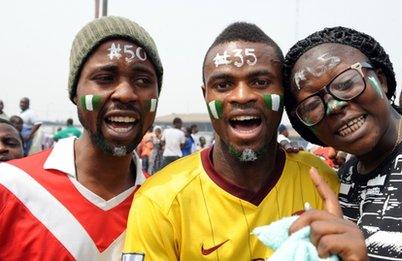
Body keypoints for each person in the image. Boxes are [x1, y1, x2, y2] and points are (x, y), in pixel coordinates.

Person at [123, 22, 367, 261]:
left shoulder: (324, 184)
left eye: (260, 82)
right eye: (223, 85)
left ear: (284, 94)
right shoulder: (159, 200)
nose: (242, 96)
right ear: (205, 95)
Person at [283, 26, 402, 260]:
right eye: (312, 105)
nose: (335, 106)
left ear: (381, 80)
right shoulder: (346, 175)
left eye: (346, 84)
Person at [0, 16, 163, 260]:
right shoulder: (11, 187)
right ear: (75, 92)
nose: (127, 94)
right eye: (105, 78)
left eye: (143, 81)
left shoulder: (165, 202)